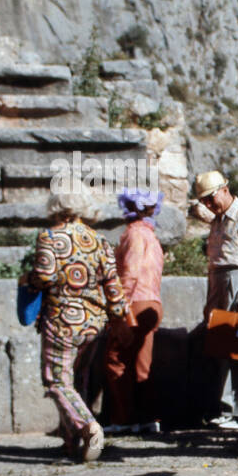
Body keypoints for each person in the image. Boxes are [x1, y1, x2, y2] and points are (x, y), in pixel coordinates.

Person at [26, 182, 127, 462]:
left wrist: (28, 280)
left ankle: (88, 427)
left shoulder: (50, 237)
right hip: (94, 322)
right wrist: (119, 318)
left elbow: (45, 276)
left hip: (62, 321)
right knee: (79, 380)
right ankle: (73, 445)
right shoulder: (100, 241)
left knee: (57, 380)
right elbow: (113, 287)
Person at [194, 169, 238, 431]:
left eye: (211, 198)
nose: (209, 204)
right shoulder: (218, 219)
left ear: (225, 190)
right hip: (219, 280)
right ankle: (227, 409)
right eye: (205, 201)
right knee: (220, 345)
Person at [105, 186, 164, 435]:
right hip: (153, 301)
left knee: (116, 359)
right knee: (142, 364)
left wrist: (120, 308)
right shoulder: (152, 236)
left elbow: (129, 273)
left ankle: (124, 417)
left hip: (135, 302)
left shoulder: (132, 235)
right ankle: (147, 418)